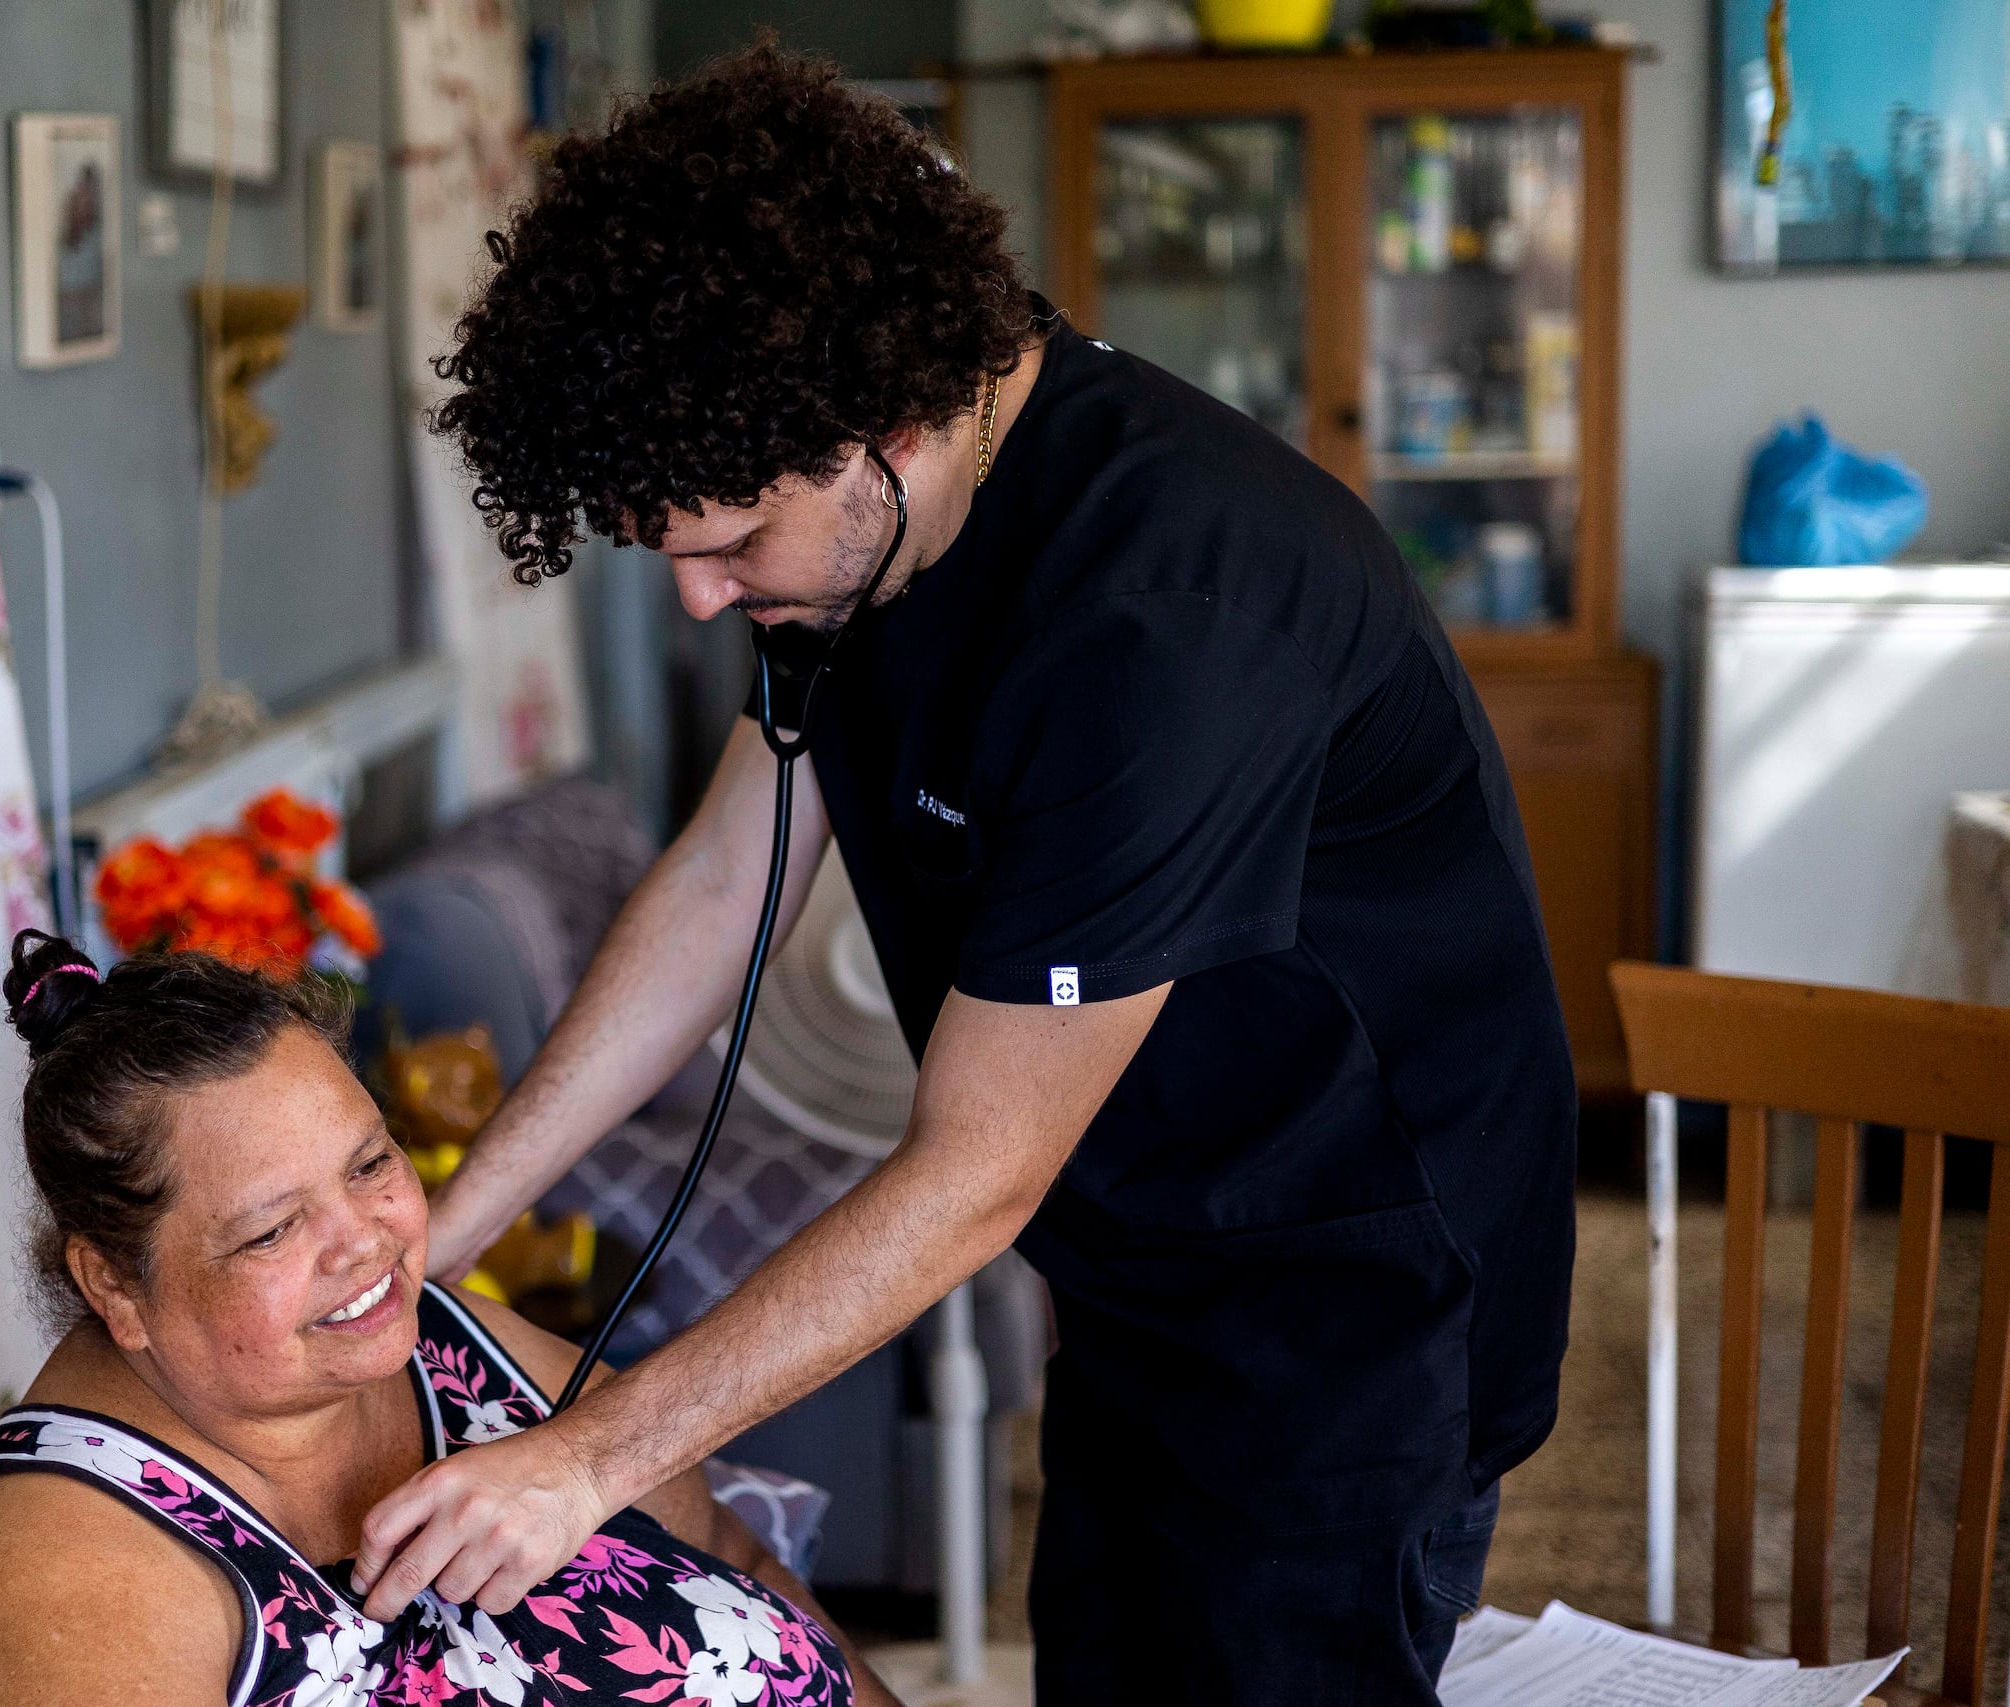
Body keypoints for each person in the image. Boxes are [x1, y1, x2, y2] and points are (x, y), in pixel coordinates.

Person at [351, 45, 1578, 1703]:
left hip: (1354, 1301)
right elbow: (724, 886)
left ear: (896, 424)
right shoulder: (858, 538)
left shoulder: (1164, 620)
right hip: (1141, 1271)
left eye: (729, 546)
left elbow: (971, 1174)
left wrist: (591, 1457)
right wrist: (444, 1231)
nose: (703, 603)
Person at [0, 932, 892, 1707]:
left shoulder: (474, 1358)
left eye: (372, 1163)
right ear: (113, 1286)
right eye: (272, 1232)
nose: (367, 1244)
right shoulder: (60, 1589)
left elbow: (743, 1563)